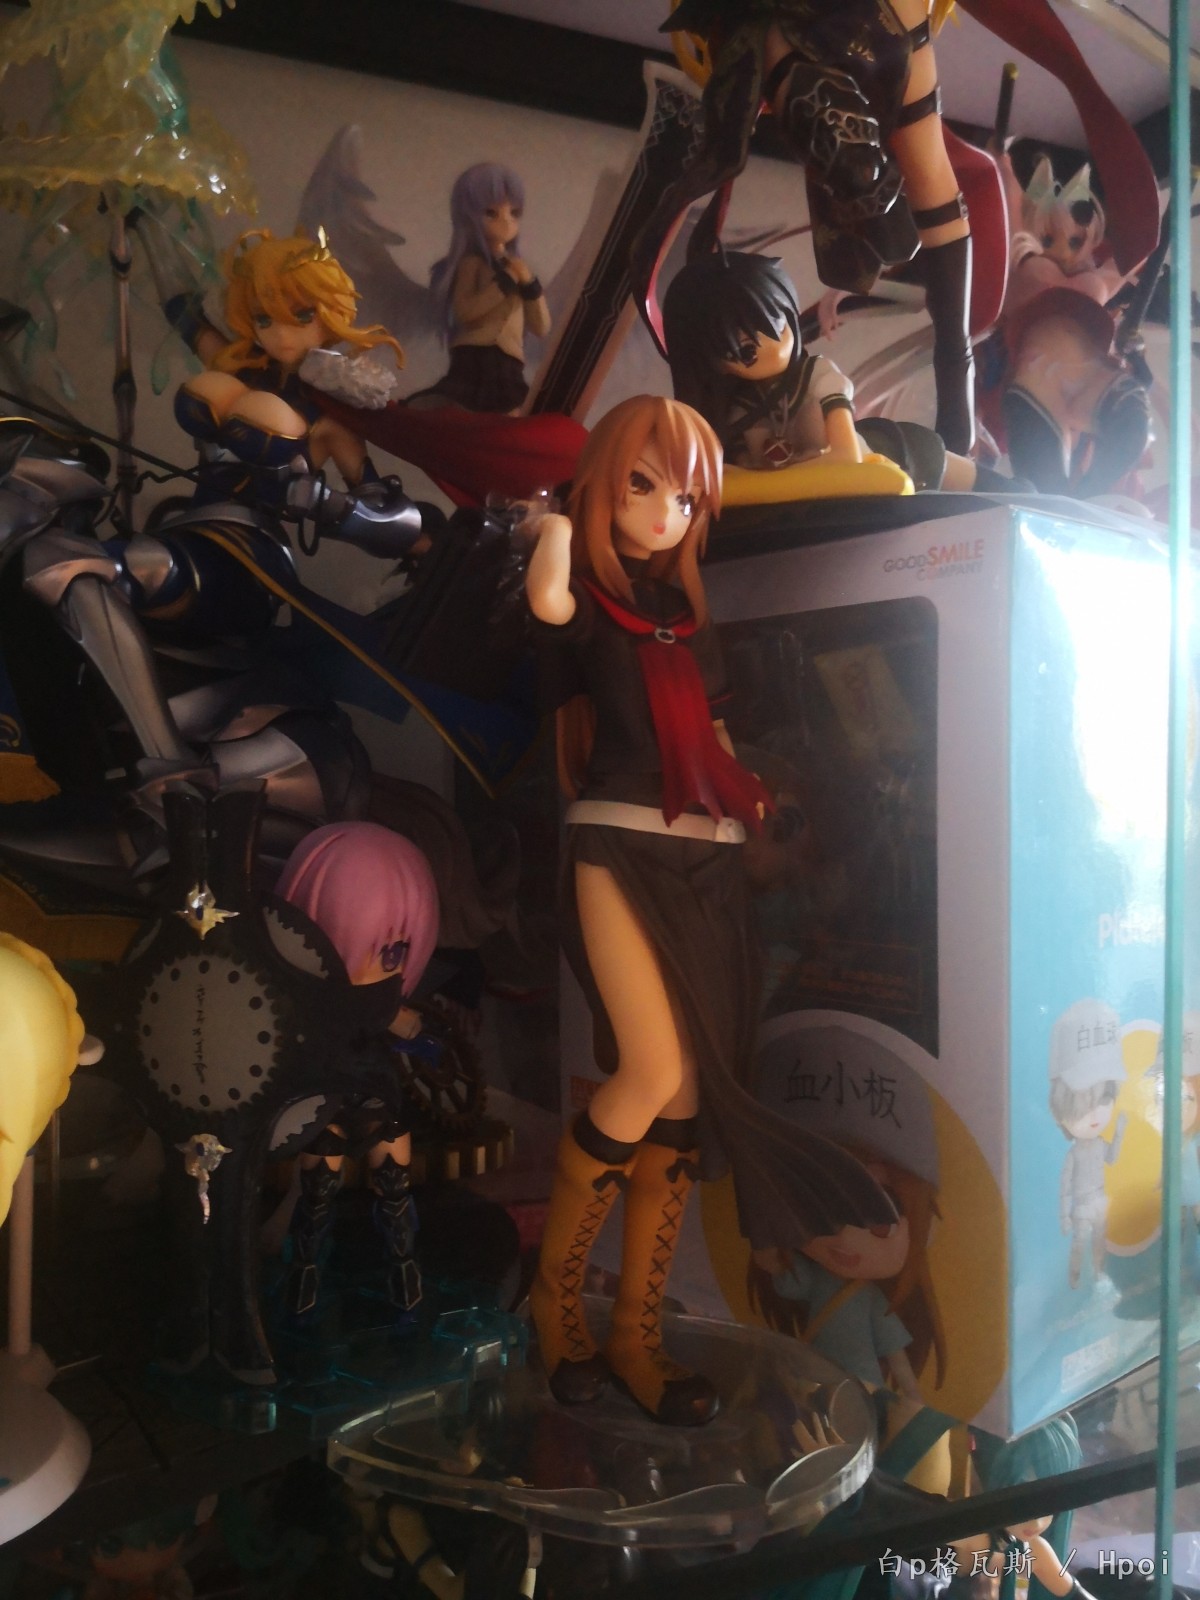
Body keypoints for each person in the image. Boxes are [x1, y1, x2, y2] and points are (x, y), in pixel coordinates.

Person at [524, 394, 894, 1426]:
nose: (664, 512)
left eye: (686, 498)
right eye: (643, 486)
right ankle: (554, 1304)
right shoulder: (588, 602)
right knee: (647, 1072)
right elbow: (547, 603)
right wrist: (552, 527)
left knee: (687, 1099)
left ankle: (636, 1336)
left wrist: (755, 802)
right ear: (604, 487)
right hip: (616, 839)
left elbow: (718, 739)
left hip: (710, 855)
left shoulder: (690, 622)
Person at [663, 250, 1013, 492]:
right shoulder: (737, 412)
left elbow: (846, 457)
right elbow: (737, 475)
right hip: (823, 495)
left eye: (778, 324)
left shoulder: (818, 376)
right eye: (745, 351)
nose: (773, 347)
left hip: (895, 455)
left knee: (998, 494)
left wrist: (770, 483)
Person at [275, 821, 440, 1315]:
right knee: (317, 1191)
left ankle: (404, 1277)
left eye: (393, 953)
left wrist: (418, 1032)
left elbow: (406, 1027)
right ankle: (302, 1280)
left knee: (393, 1186)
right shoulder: (310, 1000)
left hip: (374, 1090)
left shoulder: (383, 1002)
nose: (372, 968)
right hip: (323, 1096)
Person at [410, 163, 550, 414]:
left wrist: (529, 284)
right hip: (474, 356)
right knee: (458, 409)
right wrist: (504, 283)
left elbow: (541, 327)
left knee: (515, 413)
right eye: (491, 213)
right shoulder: (471, 264)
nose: (506, 222)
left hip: (510, 362)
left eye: (514, 213)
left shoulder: (519, 268)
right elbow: (465, 312)